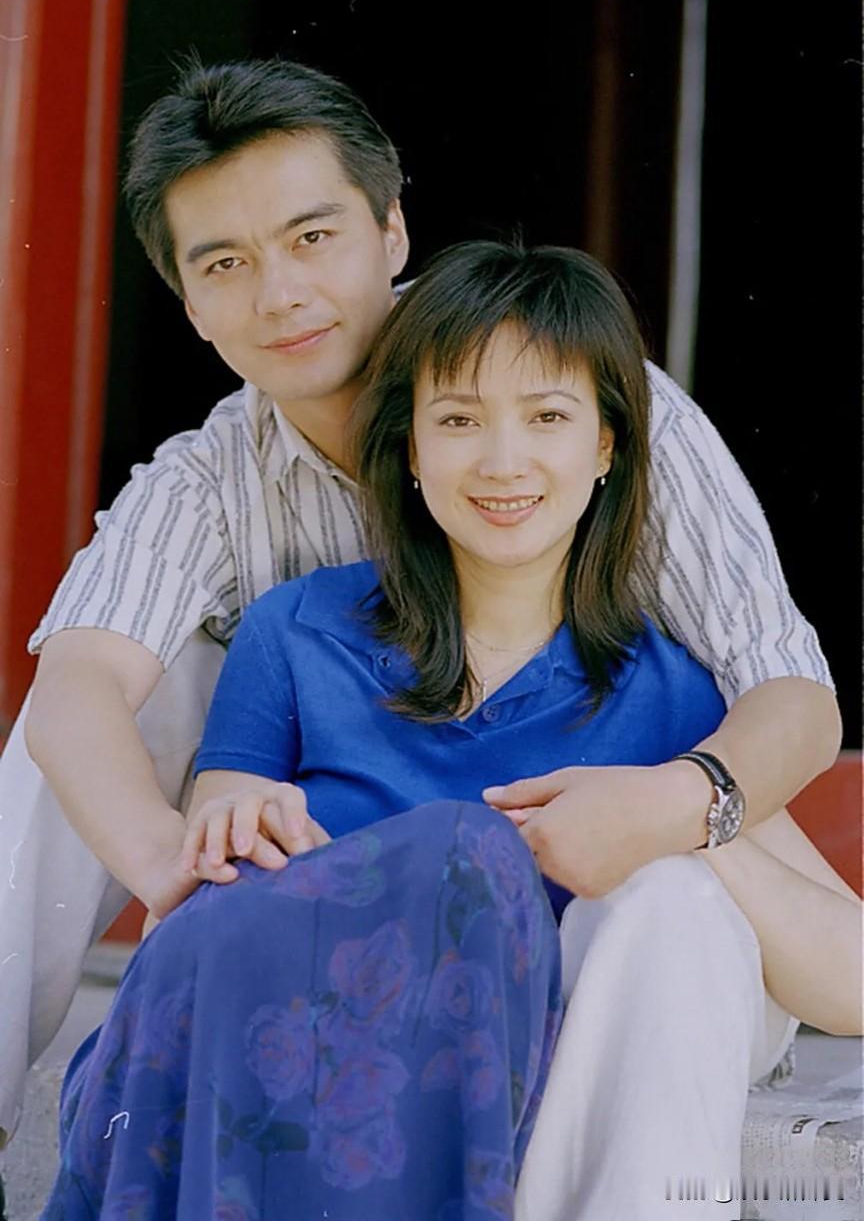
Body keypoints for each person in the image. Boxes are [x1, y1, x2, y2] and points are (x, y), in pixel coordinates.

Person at [0, 57, 852, 1159]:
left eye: (313, 237)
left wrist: (675, 805)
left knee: (684, 872)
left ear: (392, 230)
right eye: (225, 263)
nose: (280, 293)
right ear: (190, 301)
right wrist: (176, 864)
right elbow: (76, 689)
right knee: (102, 698)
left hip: (621, 848)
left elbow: (789, 688)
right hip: (365, 898)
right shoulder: (206, 483)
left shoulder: (581, 398)